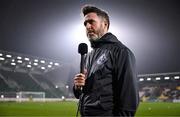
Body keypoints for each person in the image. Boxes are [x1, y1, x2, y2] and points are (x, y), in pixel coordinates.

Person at [73, 5, 139, 116]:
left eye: (91, 22)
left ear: (105, 24)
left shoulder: (120, 52)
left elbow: (129, 99)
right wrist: (77, 86)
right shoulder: (89, 55)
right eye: (85, 24)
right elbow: (83, 93)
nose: (88, 26)